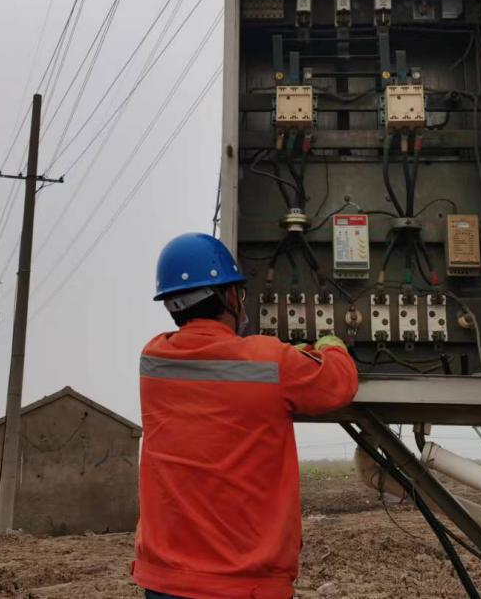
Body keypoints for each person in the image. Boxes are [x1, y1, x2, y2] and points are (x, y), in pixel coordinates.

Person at [132, 232, 358, 599]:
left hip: (166, 581)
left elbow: (222, 364)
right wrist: (331, 346)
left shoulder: (153, 360)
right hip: (245, 584)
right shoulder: (271, 361)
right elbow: (338, 383)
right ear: (231, 296)